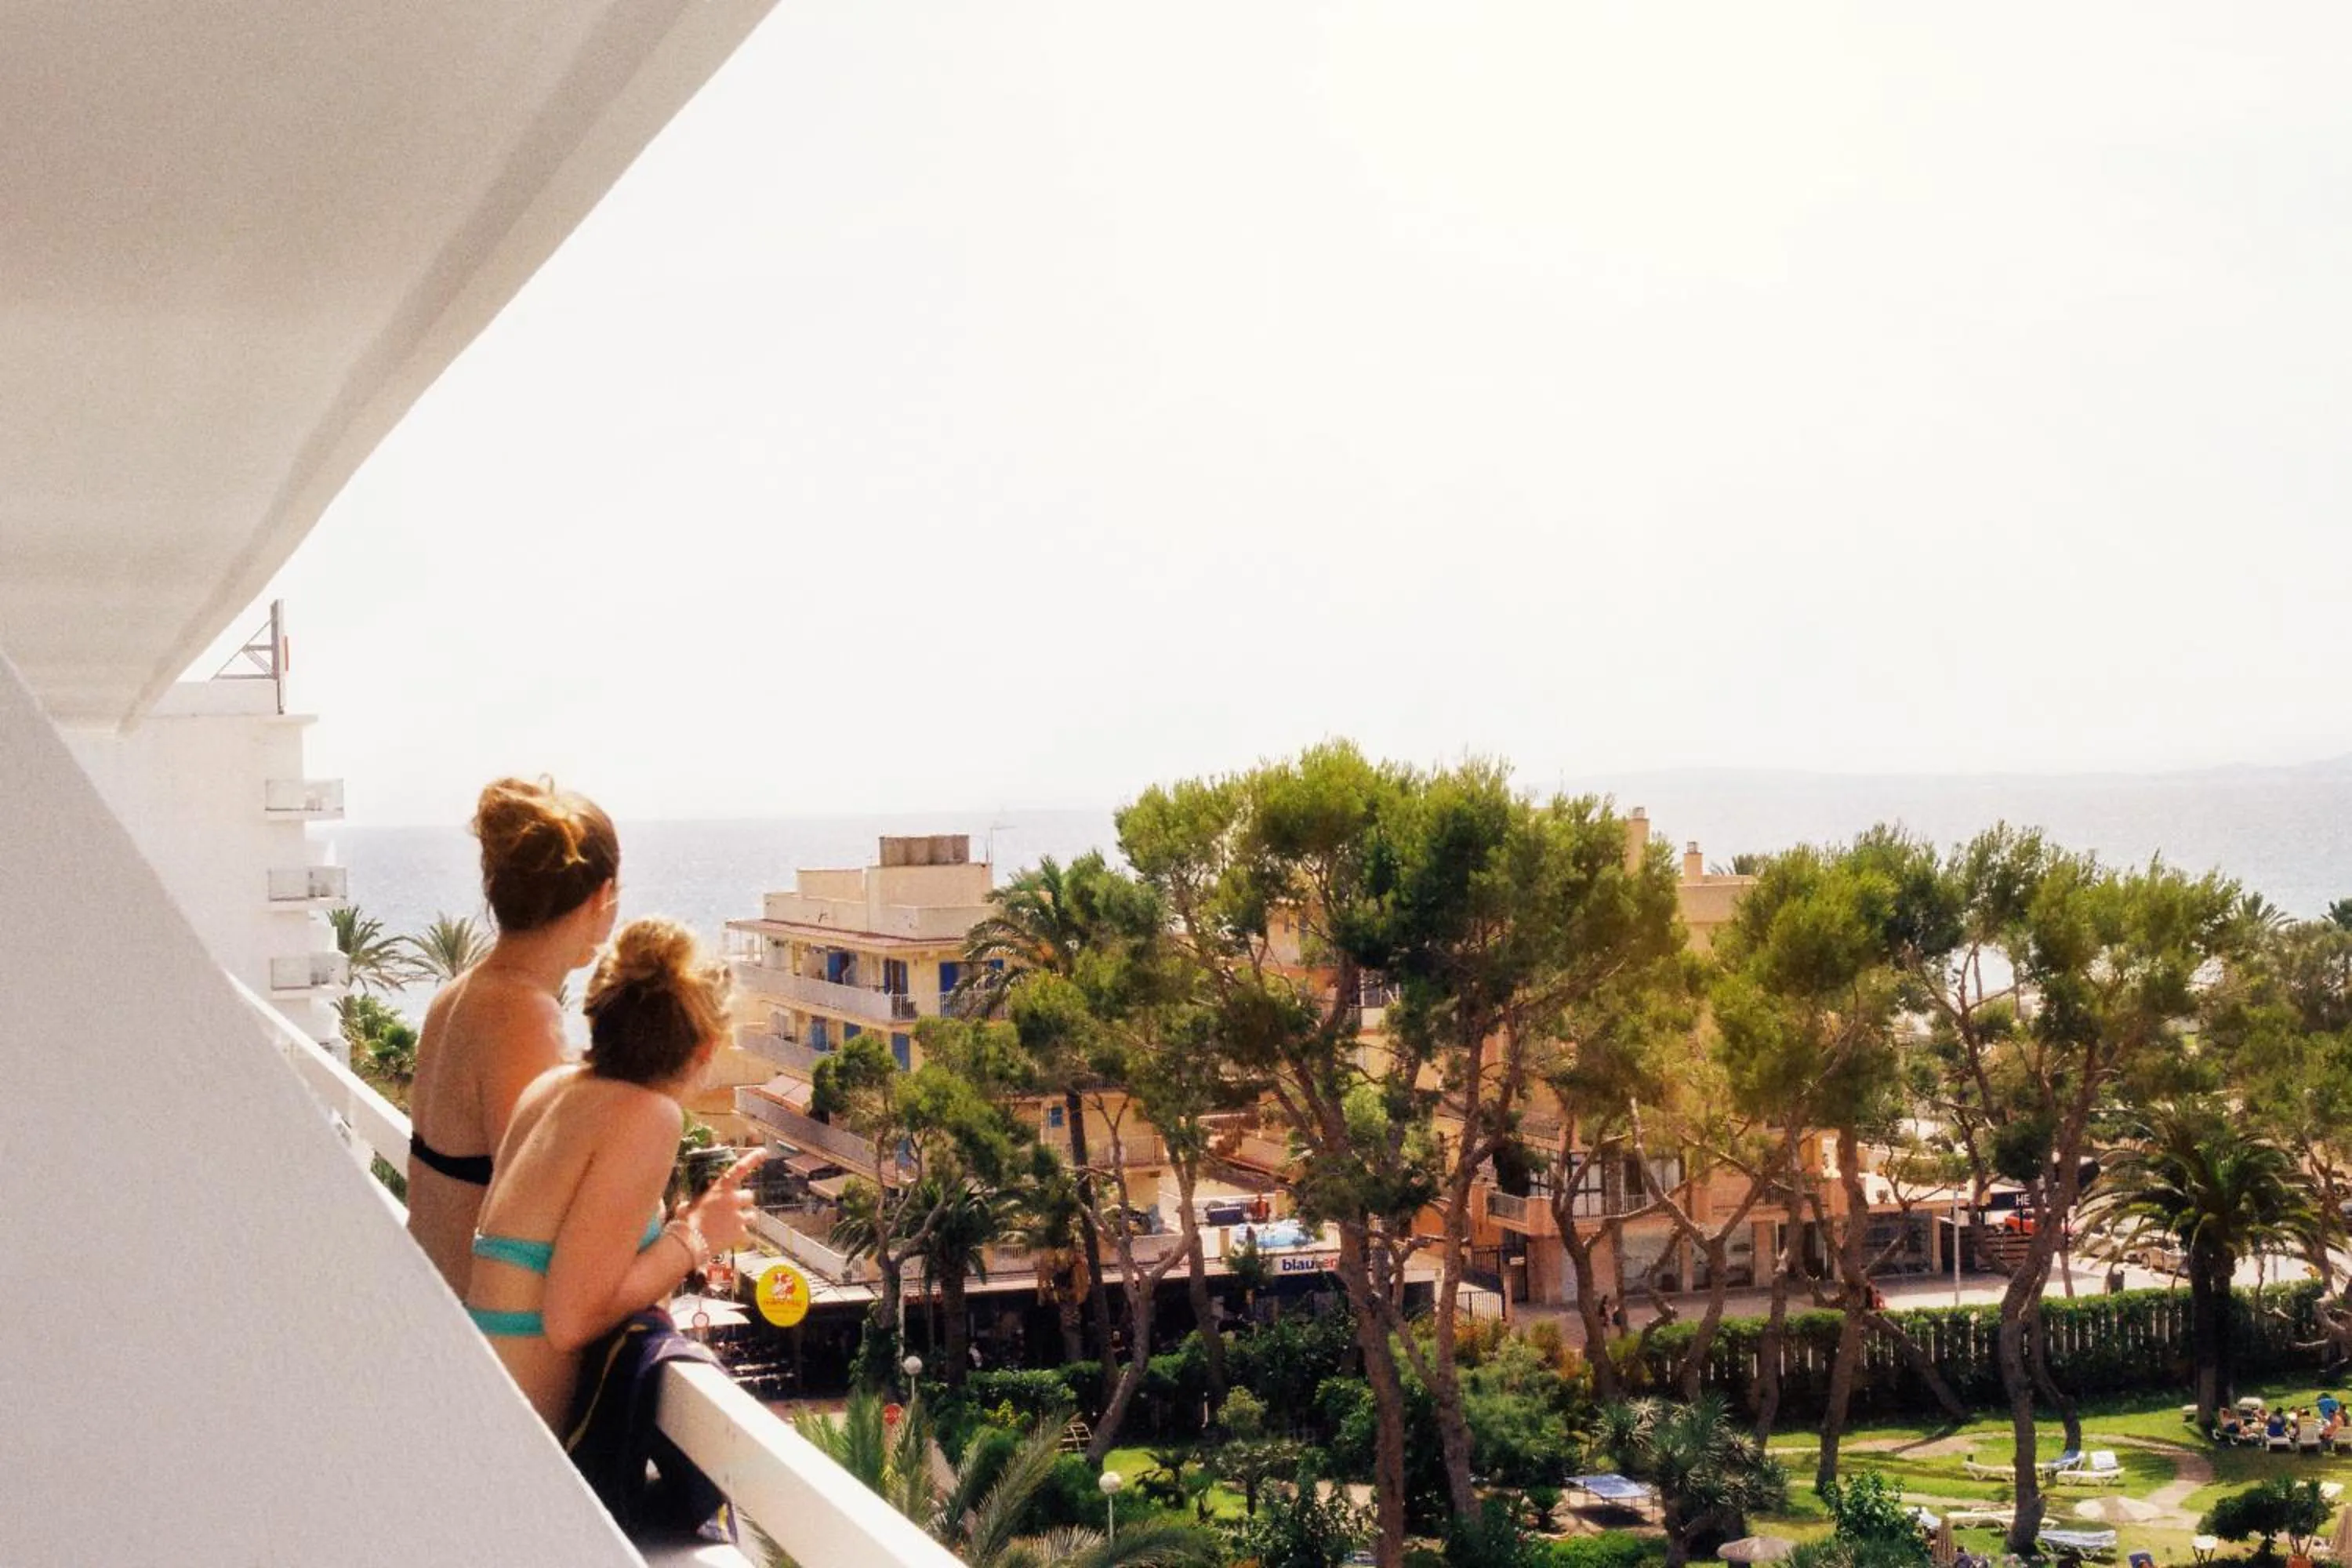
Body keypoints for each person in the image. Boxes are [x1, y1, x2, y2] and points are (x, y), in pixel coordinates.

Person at [463, 917, 764, 1425]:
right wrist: (694, 1237)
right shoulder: (648, 1115)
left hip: (483, 1403)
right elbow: (572, 1318)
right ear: (706, 1048)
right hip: (524, 1449)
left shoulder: (554, 1089)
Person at [407, 778, 621, 1294]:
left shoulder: (459, 996)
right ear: (603, 897)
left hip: (435, 1310)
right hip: (479, 1348)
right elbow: (545, 1214)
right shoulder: (524, 1018)